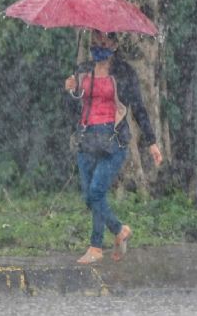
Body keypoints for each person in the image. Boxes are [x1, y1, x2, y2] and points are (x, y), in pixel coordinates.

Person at [64, 30, 163, 264]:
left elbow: (138, 107)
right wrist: (71, 89)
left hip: (113, 141)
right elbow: (72, 110)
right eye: (95, 39)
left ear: (115, 44)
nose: (99, 43)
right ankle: (110, 237)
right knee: (90, 197)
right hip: (87, 139)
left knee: (96, 192)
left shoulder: (123, 73)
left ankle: (103, 241)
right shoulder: (83, 70)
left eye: (105, 39)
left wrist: (152, 142)